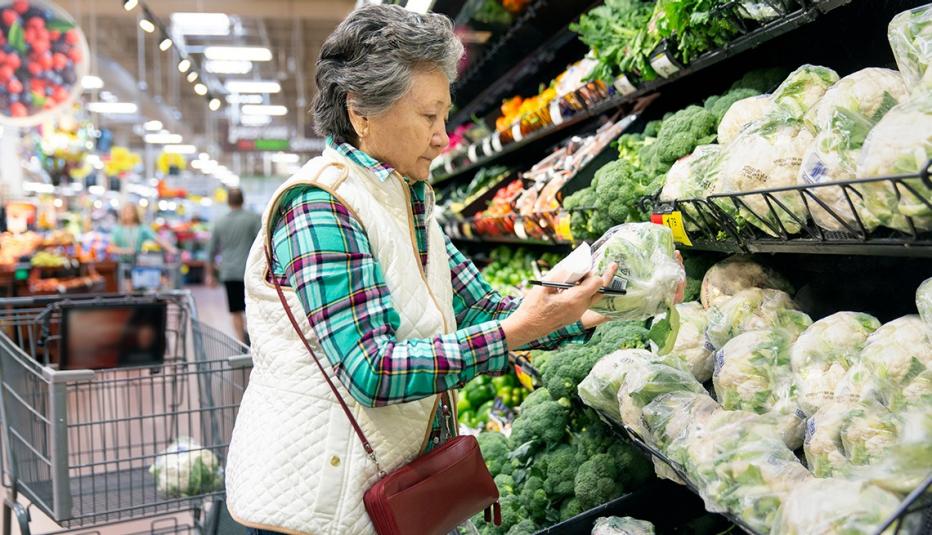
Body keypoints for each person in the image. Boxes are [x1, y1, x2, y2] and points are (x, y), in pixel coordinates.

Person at [224, 6, 616, 535]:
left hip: (382, 487)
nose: (443, 137)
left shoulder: (403, 199)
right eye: (428, 117)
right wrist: (518, 331)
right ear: (361, 108)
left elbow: (482, 305)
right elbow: (372, 370)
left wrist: (603, 303)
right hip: (317, 505)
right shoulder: (321, 206)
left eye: (445, 116)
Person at [206, 188, 261, 343]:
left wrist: (209, 274)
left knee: (235, 310)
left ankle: (242, 345)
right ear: (243, 200)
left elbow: (210, 251)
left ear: (228, 201)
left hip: (229, 273)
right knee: (253, 309)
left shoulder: (220, 222)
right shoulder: (253, 219)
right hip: (250, 272)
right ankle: (255, 343)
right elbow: (263, 242)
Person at [110, 204, 176, 292]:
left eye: (130, 212)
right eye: (126, 212)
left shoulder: (142, 228)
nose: (128, 214)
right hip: (125, 263)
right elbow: (111, 248)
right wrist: (126, 251)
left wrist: (172, 250)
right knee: (129, 286)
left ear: (135, 213)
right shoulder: (117, 229)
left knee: (158, 273)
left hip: (139, 262)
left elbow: (157, 239)